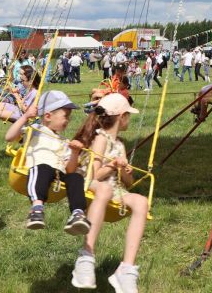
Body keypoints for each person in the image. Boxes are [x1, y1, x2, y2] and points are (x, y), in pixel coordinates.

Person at [70, 93, 147, 293]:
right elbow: (94, 174)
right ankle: (86, 255)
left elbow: (128, 183)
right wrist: (113, 165)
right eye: (128, 115)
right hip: (93, 184)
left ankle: (127, 269)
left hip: (116, 188)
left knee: (141, 201)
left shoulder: (120, 144)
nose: (129, 119)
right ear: (121, 117)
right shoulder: (100, 139)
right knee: (103, 188)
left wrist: (124, 170)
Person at [4, 91, 91, 233]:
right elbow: (9, 137)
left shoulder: (65, 141)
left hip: (59, 174)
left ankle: (77, 213)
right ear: (48, 116)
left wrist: (74, 152)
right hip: (40, 168)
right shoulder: (35, 130)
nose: (68, 120)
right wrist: (25, 117)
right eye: (66, 116)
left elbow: (69, 169)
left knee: (75, 177)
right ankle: (37, 209)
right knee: (43, 168)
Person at [0, 65, 41, 132]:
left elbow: (25, 110)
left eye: (23, 81)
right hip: (17, 109)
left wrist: (16, 96)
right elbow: (22, 101)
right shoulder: (29, 90)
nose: (22, 82)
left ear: (30, 81)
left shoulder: (34, 92)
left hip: (21, 114)